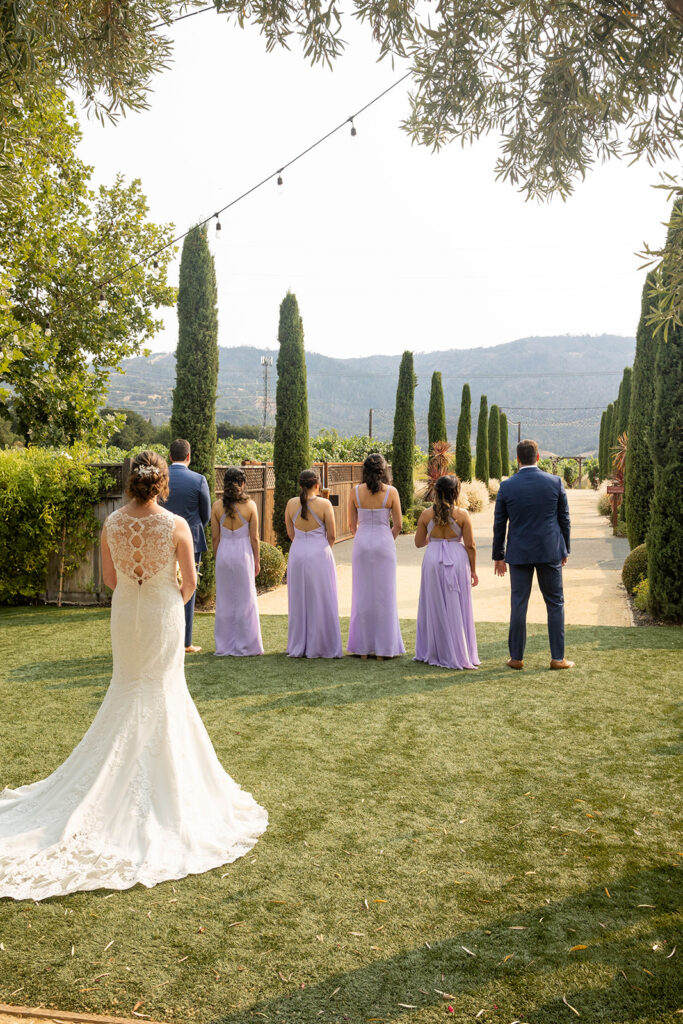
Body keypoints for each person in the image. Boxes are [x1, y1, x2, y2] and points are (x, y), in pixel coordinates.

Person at [0, 451, 267, 901]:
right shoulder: (176, 526)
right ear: (161, 483)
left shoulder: (111, 524)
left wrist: (137, 588)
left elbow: (109, 579)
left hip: (126, 614)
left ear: (129, 482)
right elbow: (190, 583)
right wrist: (166, 592)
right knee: (163, 689)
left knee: (128, 687)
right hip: (163, 613)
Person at [492, 438, 573, 670]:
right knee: (555, 603)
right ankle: (558, 659)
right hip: (550, 550)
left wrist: (498, 555)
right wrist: (564, 548)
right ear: (538, 457)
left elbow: (499, 524)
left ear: (517, 459)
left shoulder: (507, 486)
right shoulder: (555, 482)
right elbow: (564, 519)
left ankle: (516, 658)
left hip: (518, 553)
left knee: (519, 603)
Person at [414, 474, 480, 670]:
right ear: (455, 492)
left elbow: (418, 543)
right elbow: (471, 545)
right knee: (458, 604)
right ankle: (459, 650)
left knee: (433, 603)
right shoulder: (462, 515)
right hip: (457, 560)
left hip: (433, 559)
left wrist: (433, 538)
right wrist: (474, 571)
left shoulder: (426, 515)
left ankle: (435, 650)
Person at [347, 453, 405, 660]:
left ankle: (362, 649)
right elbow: (398, 524)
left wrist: (363, 537)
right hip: (384, 543)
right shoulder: (392, 492)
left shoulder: (354, 491)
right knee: (384, 595)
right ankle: (383, 649)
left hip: (362, 543)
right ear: (384, 470)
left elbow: (351, 526)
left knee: (362, 594)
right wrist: (386, 539)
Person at [160, 438, 211, 653]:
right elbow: (205, 514)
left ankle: (163, 639)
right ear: (188, 457)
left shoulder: (161, 478)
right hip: (192, 539)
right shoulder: (199, 480)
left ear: (170, 456)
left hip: (162, 538)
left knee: (163, 586)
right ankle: (186, 642)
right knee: (189, 585)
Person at [285, 468, 343, 659]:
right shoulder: (324, 504)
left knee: (299, 598)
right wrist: (323, 549)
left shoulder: (291, 504)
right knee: (322, 598)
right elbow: (332, 535)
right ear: (317, 485)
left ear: (300, 485)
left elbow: (291, 534)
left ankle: (298, 645)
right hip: (320, 552)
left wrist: (302, 545)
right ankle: (322, 645)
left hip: (297, 553)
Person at [211, 466, 264, 657]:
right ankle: (248, 645)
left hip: (224, 552)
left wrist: (218, 557)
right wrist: (257, 559)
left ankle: (224, 645)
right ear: (242, 484)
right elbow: (255, 538)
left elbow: (215, 538)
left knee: (224, 600)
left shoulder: (217, 506)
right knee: (246, 599)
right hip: (243, 554)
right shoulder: (250, 506)